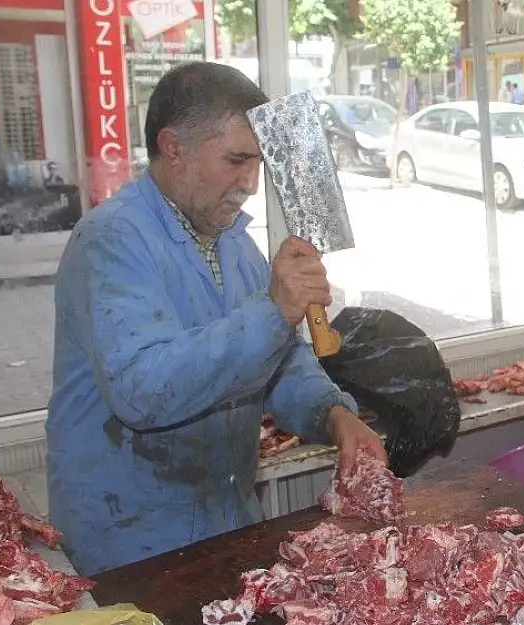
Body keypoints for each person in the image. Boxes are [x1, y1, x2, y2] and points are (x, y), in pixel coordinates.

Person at [47, 62, 386, 577]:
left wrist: (334, 415)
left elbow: (282, 361)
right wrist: (272, 310)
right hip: (131, 545)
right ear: (174, 146)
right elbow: (141, 391)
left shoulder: (234, 242)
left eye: (257, 163)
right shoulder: (110, 241)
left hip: (226, 522)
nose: (251, 183)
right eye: (236, 160)